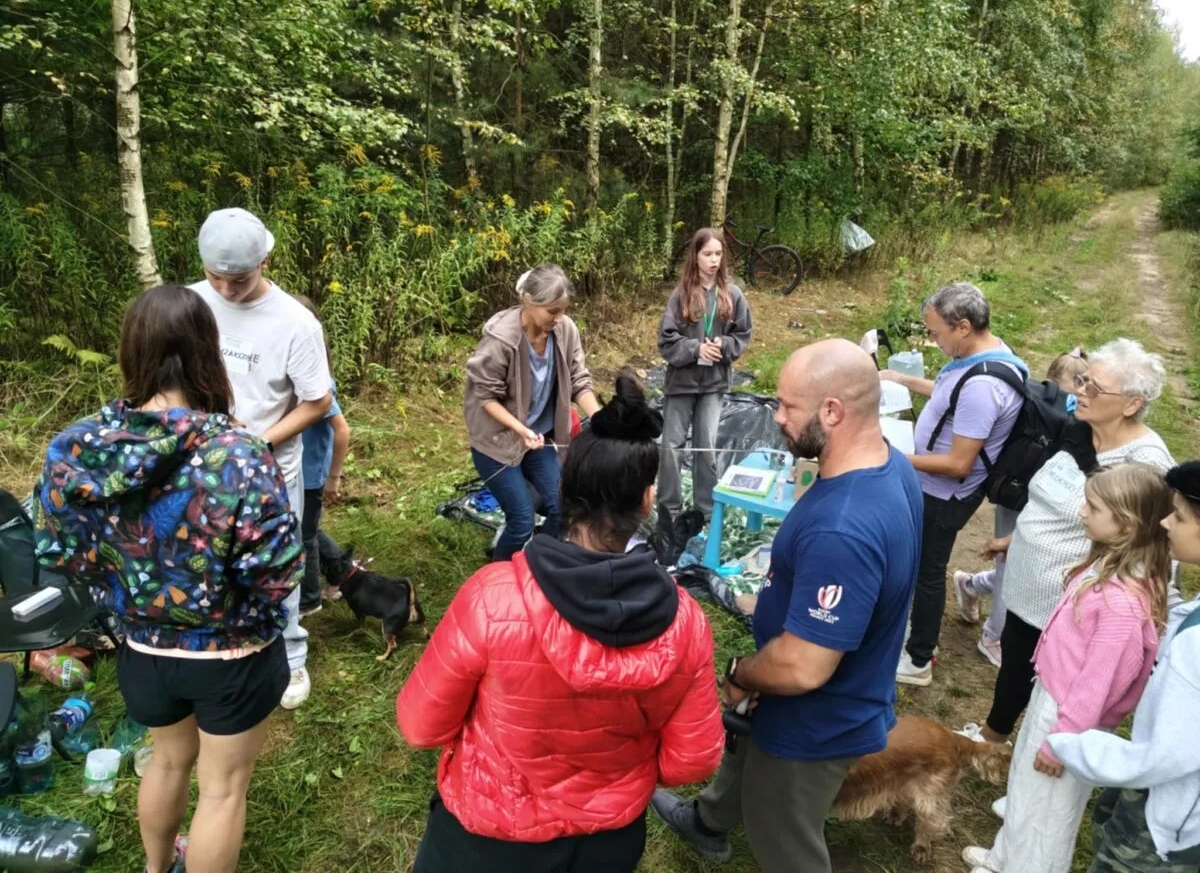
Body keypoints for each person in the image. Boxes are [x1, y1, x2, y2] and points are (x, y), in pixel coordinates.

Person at [397, 375, 723, 873]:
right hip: (606, 844)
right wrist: (616, 776)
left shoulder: (492, 598)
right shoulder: (687, 624)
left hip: (486, 839)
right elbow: (692, 761)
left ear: (564, 489)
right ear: (646, 500)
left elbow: (421, 726)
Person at [32, 285, 302, 873]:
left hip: (142, 648)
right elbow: (277, 571)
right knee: (223, 789)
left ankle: (156, 868)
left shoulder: (78, 448)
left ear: (132, 352)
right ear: (209, 350)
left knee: (167, 761)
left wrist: (124, 583)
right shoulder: (237, 453)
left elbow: (60, 548)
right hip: (232, 653)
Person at [651, 339, 923, 873]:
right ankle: (708, 822)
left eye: (786, 406)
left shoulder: (844, 527)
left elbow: (801, 667)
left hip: (813, 725)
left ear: (833, 412)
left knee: (785, 839)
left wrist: (742, 673)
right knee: (745, 752)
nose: (775, 417)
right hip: (816, 697)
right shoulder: (890, 467)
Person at [961, 463, 1174, 873]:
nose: (1081, 512)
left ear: (1126, 525)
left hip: (1070, 715)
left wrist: (1062, 741)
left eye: (1093, 508)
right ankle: (1004, 857)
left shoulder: (1122, 605)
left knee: (1050, 812)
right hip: (1054, 695)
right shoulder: (1108, 562)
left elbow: (1097, 683)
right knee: (1025, 784)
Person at [973, 339, 1172, 748]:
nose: (1080, 391)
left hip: (1065, 602)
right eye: (1082, 380)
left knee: (1051, 684)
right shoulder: (1082, 432)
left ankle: (1023, 745)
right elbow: (1053, 496)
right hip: (1027, 583)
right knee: (1013, 661)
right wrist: (1015, 537)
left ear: (1132, 404)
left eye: (1095, 388)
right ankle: (999, 737)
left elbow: (1139, 548)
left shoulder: (1144, 466)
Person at [190, 207, 332, 710]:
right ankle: (223, 643)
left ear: (265, 260)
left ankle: (291, 655)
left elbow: (316, 402)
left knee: (278, 561)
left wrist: (260, 442)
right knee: (209, 557)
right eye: (217, 279)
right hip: (200, 462)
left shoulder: (295, 322)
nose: (227, 291)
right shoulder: (190, 304)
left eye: (240, 280)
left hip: (270, 468)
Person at [1046, 460, 1200, 872]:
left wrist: (1068, 743)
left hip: (1167, 821)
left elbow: (1166, 755)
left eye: (1180, 516)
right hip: (1153, 795)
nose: (1166, 523)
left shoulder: (1192, 646)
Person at [881, 283, 1026, 687]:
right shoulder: (988, 354)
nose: (933, 340)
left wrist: (893, 457)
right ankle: (916, 638)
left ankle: (919, 657)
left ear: (962, 327)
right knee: (921, 565)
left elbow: (959, 464)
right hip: (933, 486)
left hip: (943, 495)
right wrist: (905, 381)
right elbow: (949, 394)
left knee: (928, 571)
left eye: (936, 332)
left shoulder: (984, 385)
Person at [953, 347, 1090, 667]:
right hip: (1030, 496)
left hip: (1016, 491)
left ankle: (970, 584)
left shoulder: (1033, 399)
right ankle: (993, 636)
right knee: (1011, 563)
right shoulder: (1072, 416)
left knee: (1016, 563)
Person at [464, 264, 602, 561]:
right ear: (528, 301)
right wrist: (521, 430)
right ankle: (499, 579)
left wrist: (601, 419)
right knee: (522, 521)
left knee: (562, 508)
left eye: (563, 310)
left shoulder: (564, 331)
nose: (560, 318)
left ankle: (537, 564)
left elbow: (580, 380)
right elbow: (485, 396)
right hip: (497, 445)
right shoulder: (501, 339)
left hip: (539, 440)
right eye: (553, 311)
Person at [657, 227, 752, 520]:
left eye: (718, 254)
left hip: (714, 384)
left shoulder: (732, 295)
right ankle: (669, 510)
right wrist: (695, 349)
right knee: (671, 446)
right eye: (707, 253)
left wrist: (724, 346)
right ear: (695, 256)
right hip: (682, 383)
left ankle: (705, 511)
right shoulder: (681, 295)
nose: (713, 260)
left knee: (705, 445)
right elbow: (666, 339)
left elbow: (743, 334)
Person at [293, 294, 350, 614]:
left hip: (311, 475)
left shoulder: (318, 380)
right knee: (306, 528)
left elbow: (342, 429)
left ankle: (310, 600)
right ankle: (342, 571)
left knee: (305, 538)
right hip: (293, 470)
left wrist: (333, 479)